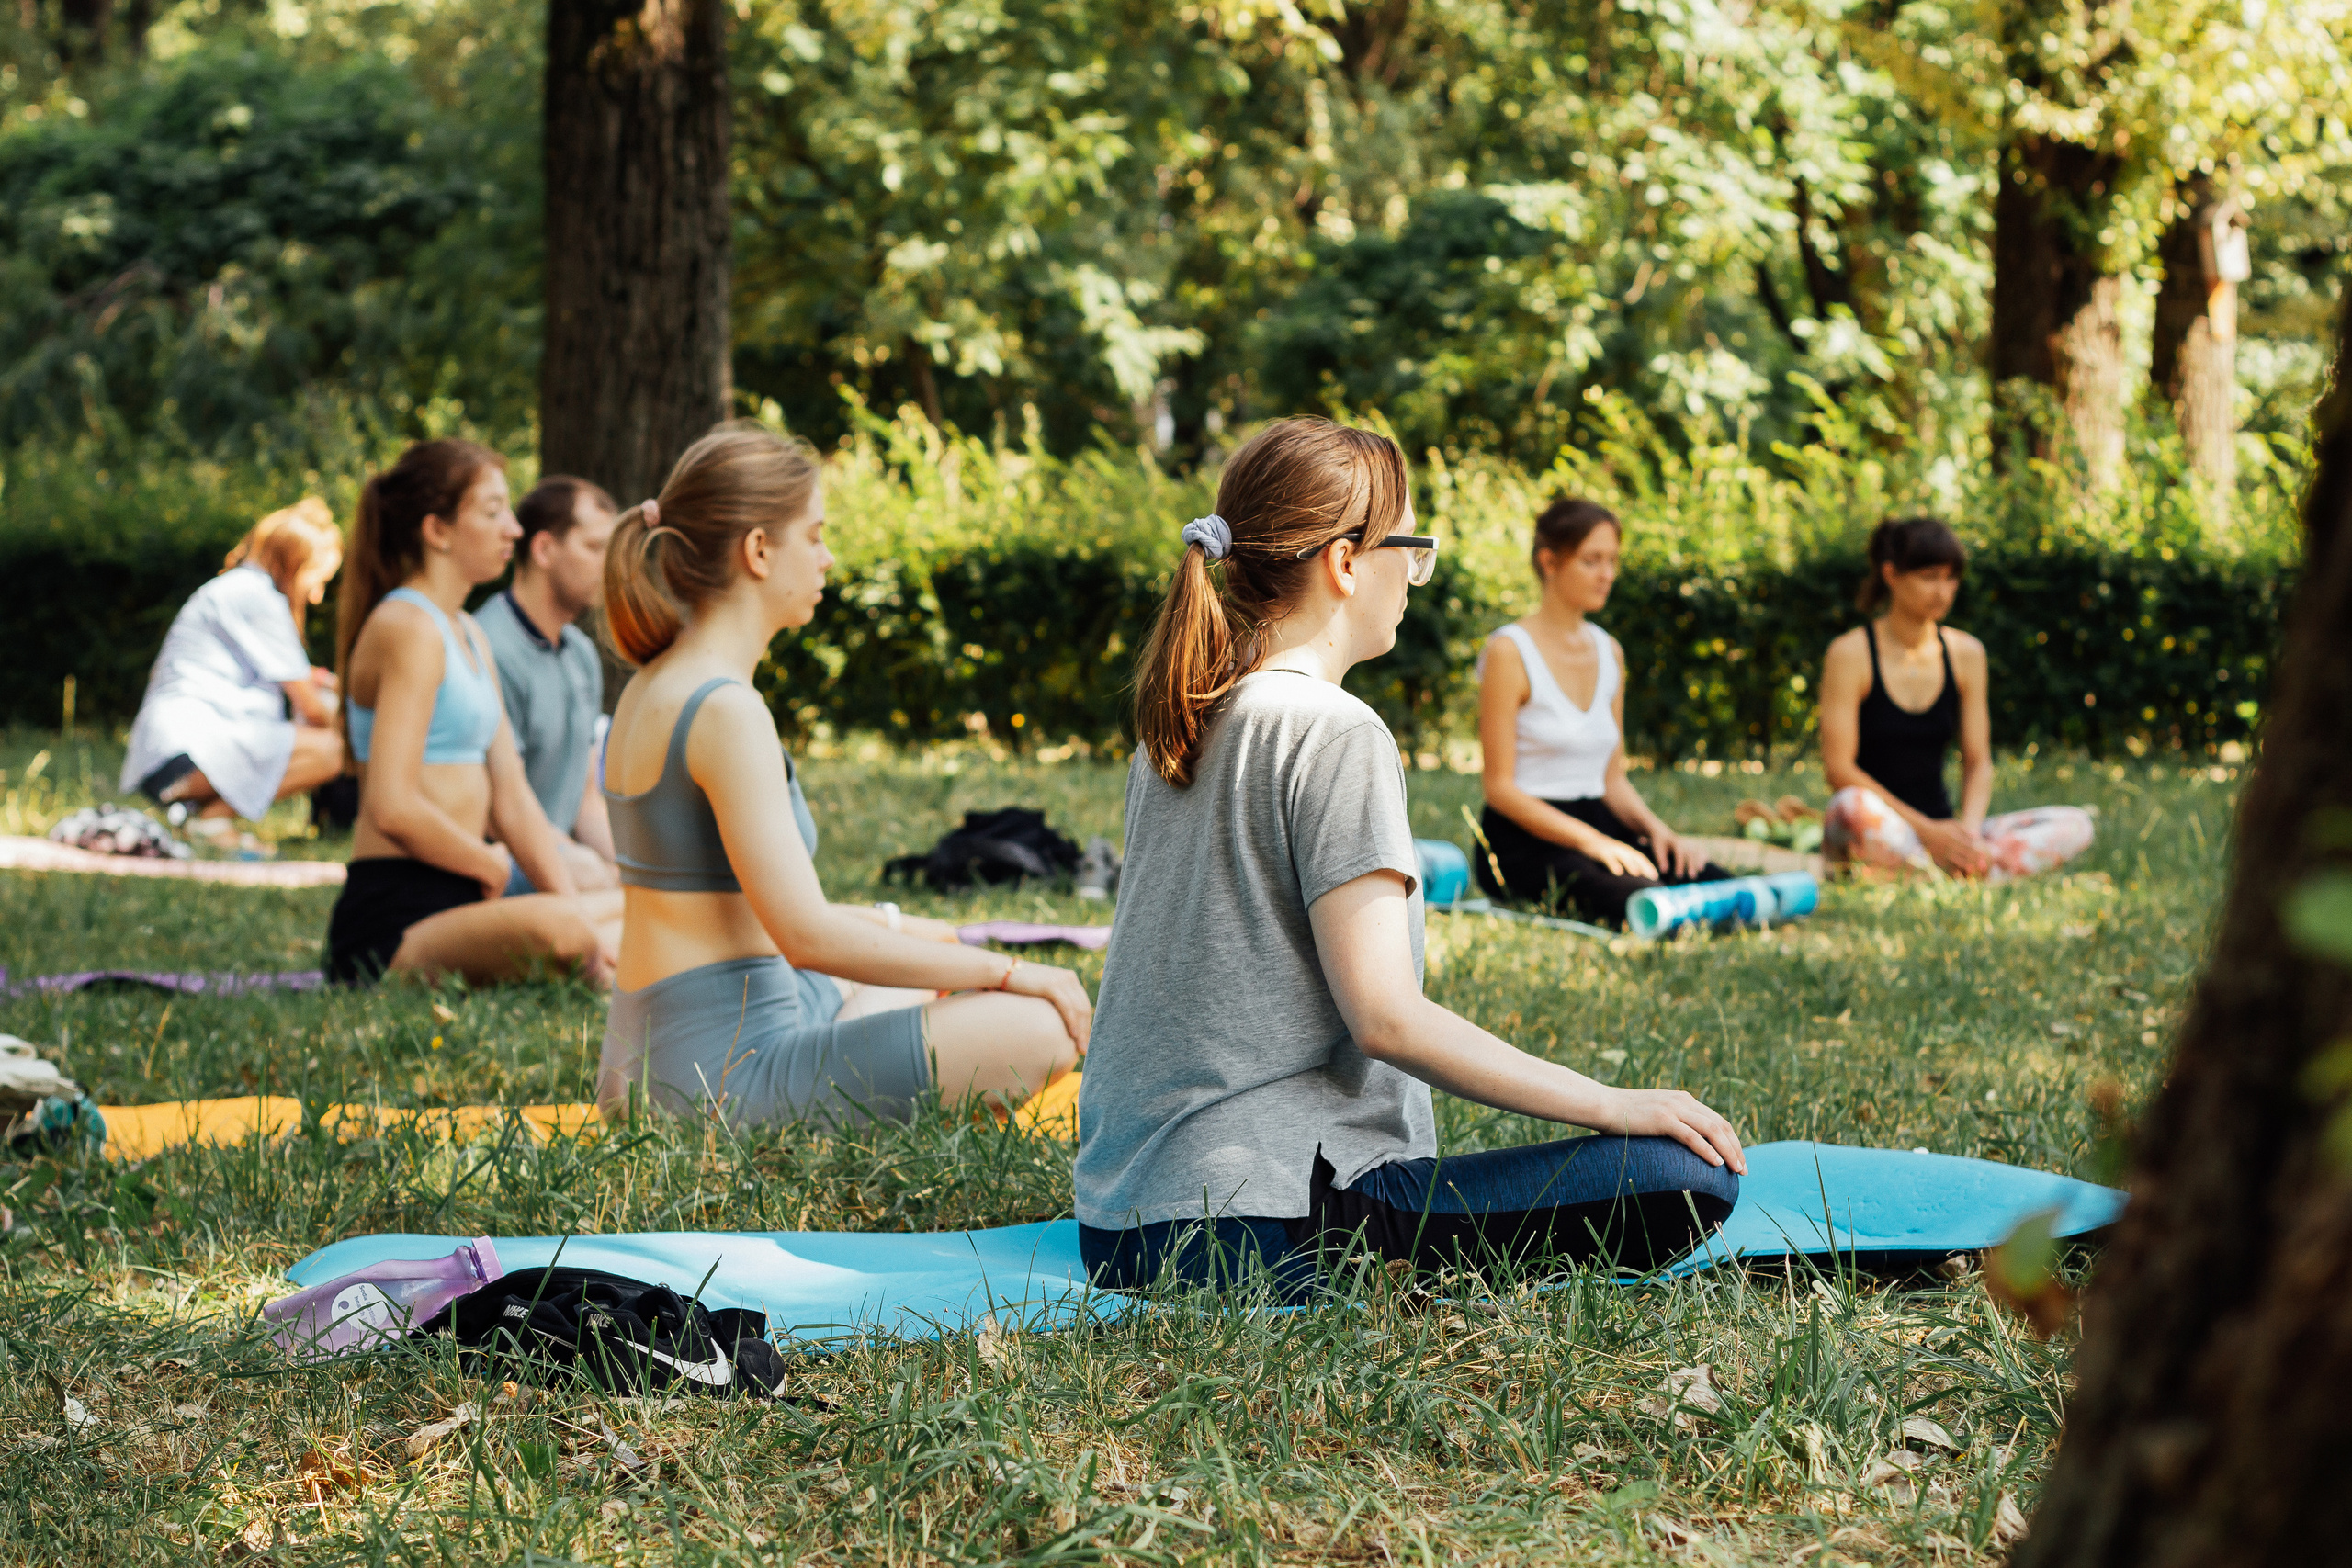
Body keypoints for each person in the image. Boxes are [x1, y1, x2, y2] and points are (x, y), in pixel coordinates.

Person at [1074, 419, 1744, 1299]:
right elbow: (1386, 1018)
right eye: (1411, 547)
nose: (1415, 575)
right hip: (1260, 1227)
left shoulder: (1184, 719)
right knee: (1682, 1174)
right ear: (1346, 562)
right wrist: (1616, 1103)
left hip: (1121, 1227)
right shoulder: (1335, 729)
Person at [595, 422, 1088, 1128]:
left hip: (651, 1062)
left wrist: (913, 927)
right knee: (1039, 1024)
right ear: (759, 550)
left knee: (925, 961)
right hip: (718, 1085)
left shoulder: (651, 685)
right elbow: (809, 938)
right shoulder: (725, 710)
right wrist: (1013, 970)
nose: (828, 557)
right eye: (816, 534)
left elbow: (744, 916)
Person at [323, 440, 624, 987]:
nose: (513, 528)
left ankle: (592, 948)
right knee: (567, 931)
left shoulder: (468, 633)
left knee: (643, 910)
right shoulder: (408, 628)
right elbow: (391, 806)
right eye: (492, 512)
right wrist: (492, 866)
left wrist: (569, 901)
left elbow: (513, 801)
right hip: (397, 914)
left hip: (464, 895)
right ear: (437, 531)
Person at [1472, 497, 1732, 926]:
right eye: (1592, 560)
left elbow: (1612, 778)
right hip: (1524, 839)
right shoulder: (1508, 651)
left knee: (1712, 885)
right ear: (1549, 562)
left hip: (1599, 820)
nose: (1607, 574)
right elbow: (1499, 789)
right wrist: (1592, 843)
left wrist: (1659, 832)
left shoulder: (1610, 651)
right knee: (1649, 902)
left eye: (1612, 560)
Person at [1818, 516, 2095, 880]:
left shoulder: (1967, 654)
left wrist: (1966, 833)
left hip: (1947, 830)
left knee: (2077, 824)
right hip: (1886, 826)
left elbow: (1978, 762)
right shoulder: (1850, 654)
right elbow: (1839, 769)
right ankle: (1967, 871)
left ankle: (1955, 866)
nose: (1943, 591)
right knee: (1848, 807)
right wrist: (1926, 832)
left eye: (1951, 579)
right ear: (1891, 575)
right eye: (1929, 577)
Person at [121, 500, 347, 833]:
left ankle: (201, 822)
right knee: (337, 749)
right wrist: (366, 730)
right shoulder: (258, 598)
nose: (315, 596)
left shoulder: (238, 589)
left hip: (169, 757)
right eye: (317, 580)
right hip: (184, 758)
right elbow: (312, 709)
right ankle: (212, 820)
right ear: (294, 564)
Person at [475, 476, 621, 895]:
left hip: (562, 856)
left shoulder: (581, 654)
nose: (607, 565)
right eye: (594, 548)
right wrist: (592, 872)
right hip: (502, 863)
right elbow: (497, 813)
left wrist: (633, 871)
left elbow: (585, 800)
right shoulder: (491, 647)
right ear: (542, 549)